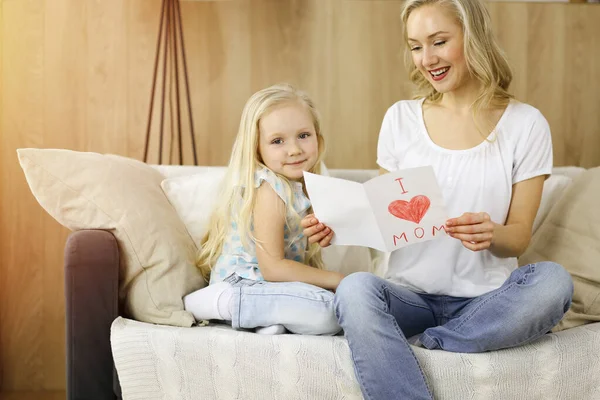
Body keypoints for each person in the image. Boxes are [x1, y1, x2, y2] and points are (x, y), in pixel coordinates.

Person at [302, 0, 574, 398]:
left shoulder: (525, 124)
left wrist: (491, 233)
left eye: (439, 42)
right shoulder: (400, 118)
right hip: (408, 295)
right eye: (415, 46)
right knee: (356, 289)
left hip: (486, 302)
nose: (426, 59)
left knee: (554, 282)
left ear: (473, 37)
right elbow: (386, 219)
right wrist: (337, 224)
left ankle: (434, 341)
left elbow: (517, 239)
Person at [183, 83, 343, 336]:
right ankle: (215, 302)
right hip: (244, 283)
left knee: (343, 309)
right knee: (331, 312)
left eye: (303, 135)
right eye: (277, 141)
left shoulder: (305, 186)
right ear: (256, 148)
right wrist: (339, 280)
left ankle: (262, 319)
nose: (294, 150)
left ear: (318, 137)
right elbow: (274, 268)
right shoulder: (270, 187)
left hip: (271, 286)